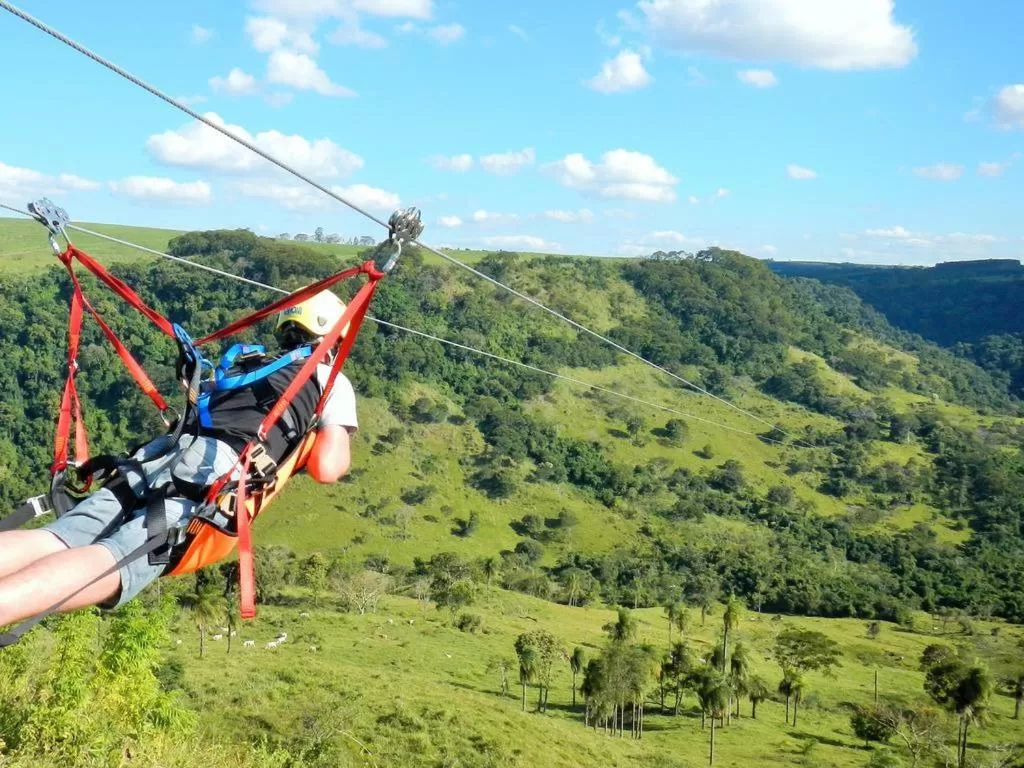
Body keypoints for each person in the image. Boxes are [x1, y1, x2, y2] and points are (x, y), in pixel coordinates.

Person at [0, 289, 357, 627]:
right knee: (115, 561)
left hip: (158, 456)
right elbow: (327, 467)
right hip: (206, 473)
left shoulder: (250, 362)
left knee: (57, 538)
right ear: (333, 339)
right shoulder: (329, 378)